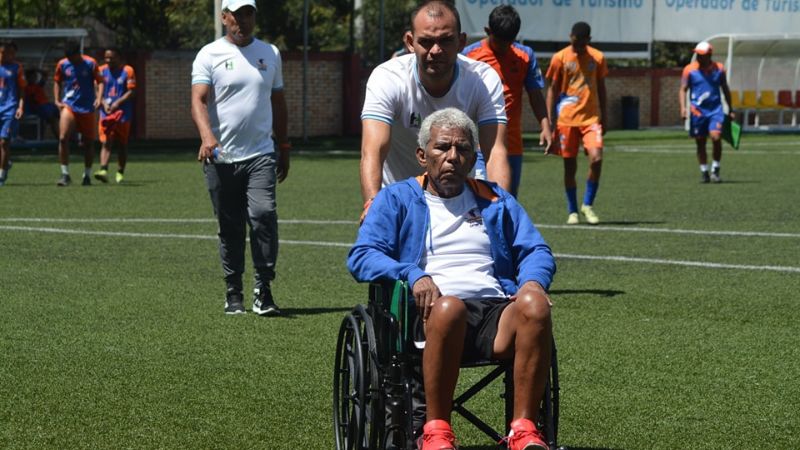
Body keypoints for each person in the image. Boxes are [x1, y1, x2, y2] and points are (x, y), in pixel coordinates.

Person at [348, 108, 556, 450]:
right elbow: (362, 256)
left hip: (494, 312)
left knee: (534, 305)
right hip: (429, 316)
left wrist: (532, 281)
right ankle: (436, 429)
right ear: (421, 155)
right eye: (442, 148)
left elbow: (535, 249)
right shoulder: (397, 199)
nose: (452, 158)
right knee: (450, 308)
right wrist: (412, 274)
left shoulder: (494, 199)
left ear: (474, 157)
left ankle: (524, 430)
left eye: (462, 150)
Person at [360, 0, 511, 208]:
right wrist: (372, 206)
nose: (436, 50)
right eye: (426, 42)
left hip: (460, 201)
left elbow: (495, 152)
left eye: (446, 40)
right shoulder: (387, 78)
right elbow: (373, 152)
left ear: (461, 42)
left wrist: (501, 208)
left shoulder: (483, 79)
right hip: (397, 199)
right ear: (410, 42)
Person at [191, 0, 290, 316]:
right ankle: (233, 291)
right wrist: (207, 137)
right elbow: (198, 100)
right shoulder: (209, 54)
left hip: (261, 154)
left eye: (248, 14)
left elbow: (278, 102)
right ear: (224, 17)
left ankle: (264, 289)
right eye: (236, 14)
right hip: (221, 158)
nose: (243, 20)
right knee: (230, 226)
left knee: (263, 215)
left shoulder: (270, 53)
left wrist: (284, 145)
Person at [462, 4, 552, 198]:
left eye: (508, 42)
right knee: (481, 200)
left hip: (512, 144)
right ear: (488, 31)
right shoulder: (469, 57)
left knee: (507, 199)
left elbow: (535, 94)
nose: (503, 48)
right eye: (499, 42)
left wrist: (545, 125)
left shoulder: (525, 56)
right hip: (477, 144)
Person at [546, 21, 607, 225]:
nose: (577, 46)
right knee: (569, 167)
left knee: (596, 159)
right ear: (570, 36)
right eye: (574, 41)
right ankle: (572, 210)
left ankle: (587, 204)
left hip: (591, 119)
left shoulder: (597, 58)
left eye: (581, 43)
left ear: (588, 40)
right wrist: (549, 121)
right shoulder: (560, 58)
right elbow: (552, 90)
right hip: (567, 120)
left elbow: (601, 86)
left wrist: (604, 115)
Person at [679, 41, 735, 183]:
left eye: (702, 55)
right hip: (697, 112)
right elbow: (683, 89)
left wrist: (731, 108)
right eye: (697, 54)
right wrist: (683, 108)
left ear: (709, 55)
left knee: (716, 137)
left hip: (715, 110)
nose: (698, 57)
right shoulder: (689, 70)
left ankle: (715, 169)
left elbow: (725, 89)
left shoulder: (719, 69)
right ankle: (704, 171)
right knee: (700, 142)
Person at [53, 41, 104, 186]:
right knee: (63, 138)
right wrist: (57, 100)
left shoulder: (91, 63)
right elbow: (57, 81)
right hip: (69, 105)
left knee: (88, 142)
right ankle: (65, 174)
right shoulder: (62, 64)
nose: (70, 60)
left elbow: (100, 81)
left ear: (78, 53)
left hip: (87, 107)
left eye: (72, 57)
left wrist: (99, 99)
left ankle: (87, 175)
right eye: (68, 57)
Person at [94, 48, 136, 184]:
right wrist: (103, 102)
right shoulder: (101, 70)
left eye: (111, 57)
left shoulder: (128, 70)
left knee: (122, 144)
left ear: (119, 57)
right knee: (106, 141)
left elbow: (131, 91)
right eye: (106, 57)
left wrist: (117, 103)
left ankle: (120, 172)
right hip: (105, 112)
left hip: (122, 113)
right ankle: (103, 170)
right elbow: (97, 89)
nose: (108, 60)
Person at [0, 41, 26, 187]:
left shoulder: (17, 67)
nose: (8, 56)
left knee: (4, 141)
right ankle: (6, 162)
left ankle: (1, 176)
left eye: (10, 53)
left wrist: (20, 107)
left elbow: (22, 89)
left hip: (9, 108)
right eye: (4, 53)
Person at [24, 68, 60, 138]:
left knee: (59, 117)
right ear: (28, 78)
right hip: (39, 107)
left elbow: (45, 74)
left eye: (35, 76)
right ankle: (59, 137)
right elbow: (32, 101)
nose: (34, 78)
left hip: (47, 106)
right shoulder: (26, 88)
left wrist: (37, 70)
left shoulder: (38, 85)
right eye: (32, 77)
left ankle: (64, 137)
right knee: (52, 119)